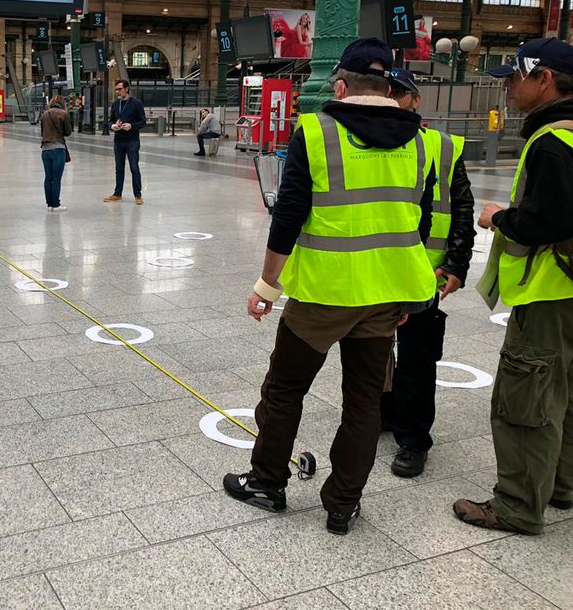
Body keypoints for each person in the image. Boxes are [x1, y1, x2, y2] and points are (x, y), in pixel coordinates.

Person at [222, 39, 438, 535]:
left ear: (339, 86)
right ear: (389, 88)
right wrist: (409, 294)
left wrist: (266, 286)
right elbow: (416, 224)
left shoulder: (316, 132)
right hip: (385, 296)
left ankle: (268, 481)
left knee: (284, 390)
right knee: (363, 402)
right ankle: (342, 504)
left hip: (322, 295)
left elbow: (289, 217)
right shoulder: (424, 142)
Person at [454, 37, 573, 535]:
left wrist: (501, 216)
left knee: (526, 398)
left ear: (543, 78)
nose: (507, 87)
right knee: (565, 392)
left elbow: (549, 219)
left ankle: (519, 506)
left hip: (549, 290)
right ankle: (562, 485)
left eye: (514, 77)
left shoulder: (553, 141)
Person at [380, 69, 476, 477]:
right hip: (379, 269)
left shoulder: (442, 146)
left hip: (426, 271)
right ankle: (384, 413)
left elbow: (463, 208)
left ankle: (414, 438)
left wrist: (456, 263)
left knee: (418, 356)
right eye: (386, 93)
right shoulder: (369, 143)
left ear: (416, 101)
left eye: (400, 94)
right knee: (376, 352)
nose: (392, 100)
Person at [104, 79, 146, 205]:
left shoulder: (136, 103)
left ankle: (138, 195)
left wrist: (131, 126)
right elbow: (110, 121)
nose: (117, 91)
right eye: (116, 89)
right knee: (119, 168)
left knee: (134, 167)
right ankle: (117, 193)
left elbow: (143, 122)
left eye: (120, 89)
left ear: (127, 89)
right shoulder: (116, 104)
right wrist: (113, 126)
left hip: (132, 140)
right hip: (118, 140)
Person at [40, 94, 72, 211]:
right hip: (58, 149)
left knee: (48, 178)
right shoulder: (64, 114)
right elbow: (68, 132)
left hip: (45, 150)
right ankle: (56, 205)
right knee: (56, 179)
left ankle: (49, 204)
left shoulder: (45, 114)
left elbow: (42, 132)